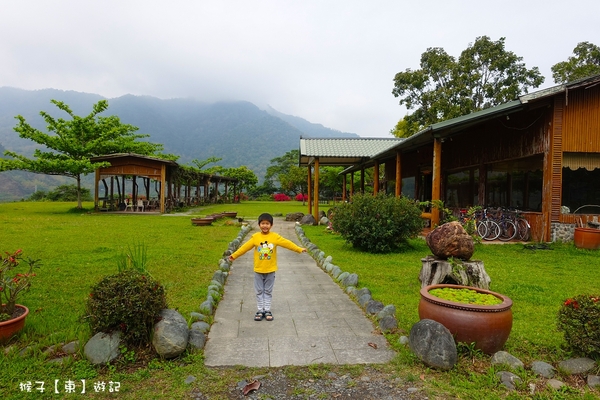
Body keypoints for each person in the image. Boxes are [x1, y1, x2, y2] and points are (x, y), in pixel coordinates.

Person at [228, 212, 306, 321]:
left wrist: (298, 249)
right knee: (259, 291)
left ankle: (267, 310)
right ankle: (260, 310)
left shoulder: (275, 237)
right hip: (258, 270)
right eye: (263, 223)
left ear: (271, 225)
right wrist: (234, 255)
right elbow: (244, 248)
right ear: (259, 225)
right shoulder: (255, 237)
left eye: (267, 223)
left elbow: (287, 243)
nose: (265, 226)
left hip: (270, 270)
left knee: (268, 291)